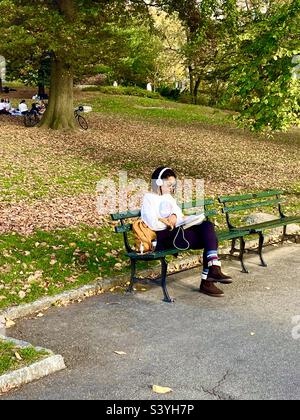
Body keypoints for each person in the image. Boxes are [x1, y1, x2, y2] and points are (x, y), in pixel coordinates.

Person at [141, 166, 233, 297]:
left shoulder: (168, 197)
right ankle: (208, 279)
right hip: (164, 236)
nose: (171, 188)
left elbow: (178, 213)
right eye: (169, 185)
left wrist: (174, 215)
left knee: (207, 225)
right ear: (158, 183)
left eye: (173, 185)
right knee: (211, 240)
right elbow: (152, 223)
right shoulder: (148, 198)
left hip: (178, 231)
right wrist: (169, 221)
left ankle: (214, 269)